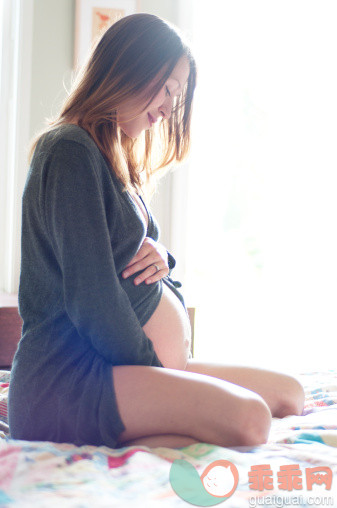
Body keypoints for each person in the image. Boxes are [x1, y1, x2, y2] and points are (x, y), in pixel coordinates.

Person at [8, 13, 304, 450]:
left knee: (289, 393)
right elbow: (91, 296)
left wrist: (165, 257)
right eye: (167, 88)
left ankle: (167, 422)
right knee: (252, 419)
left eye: (177, 95)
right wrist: (156, 373)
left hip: (127, 367)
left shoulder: (112, 158)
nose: (169, 108)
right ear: (131, 67)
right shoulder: (69, 150)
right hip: (70, 379)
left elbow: (133, 256)